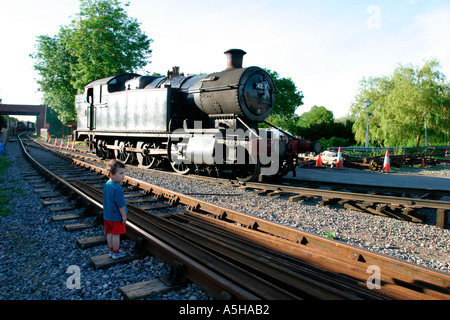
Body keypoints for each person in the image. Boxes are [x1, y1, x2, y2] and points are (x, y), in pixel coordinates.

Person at [103, 160, 128, 259]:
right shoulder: (117, 188)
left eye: (123, 173)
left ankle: (111, 250)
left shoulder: (107, 184)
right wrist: (123, 215)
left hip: (107, 215)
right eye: (121, 173)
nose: (123, 176)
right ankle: (116, 252)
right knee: (116, 235)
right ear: (111, 174)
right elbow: (121, 204)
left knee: (109, 233)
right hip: (116, 217)